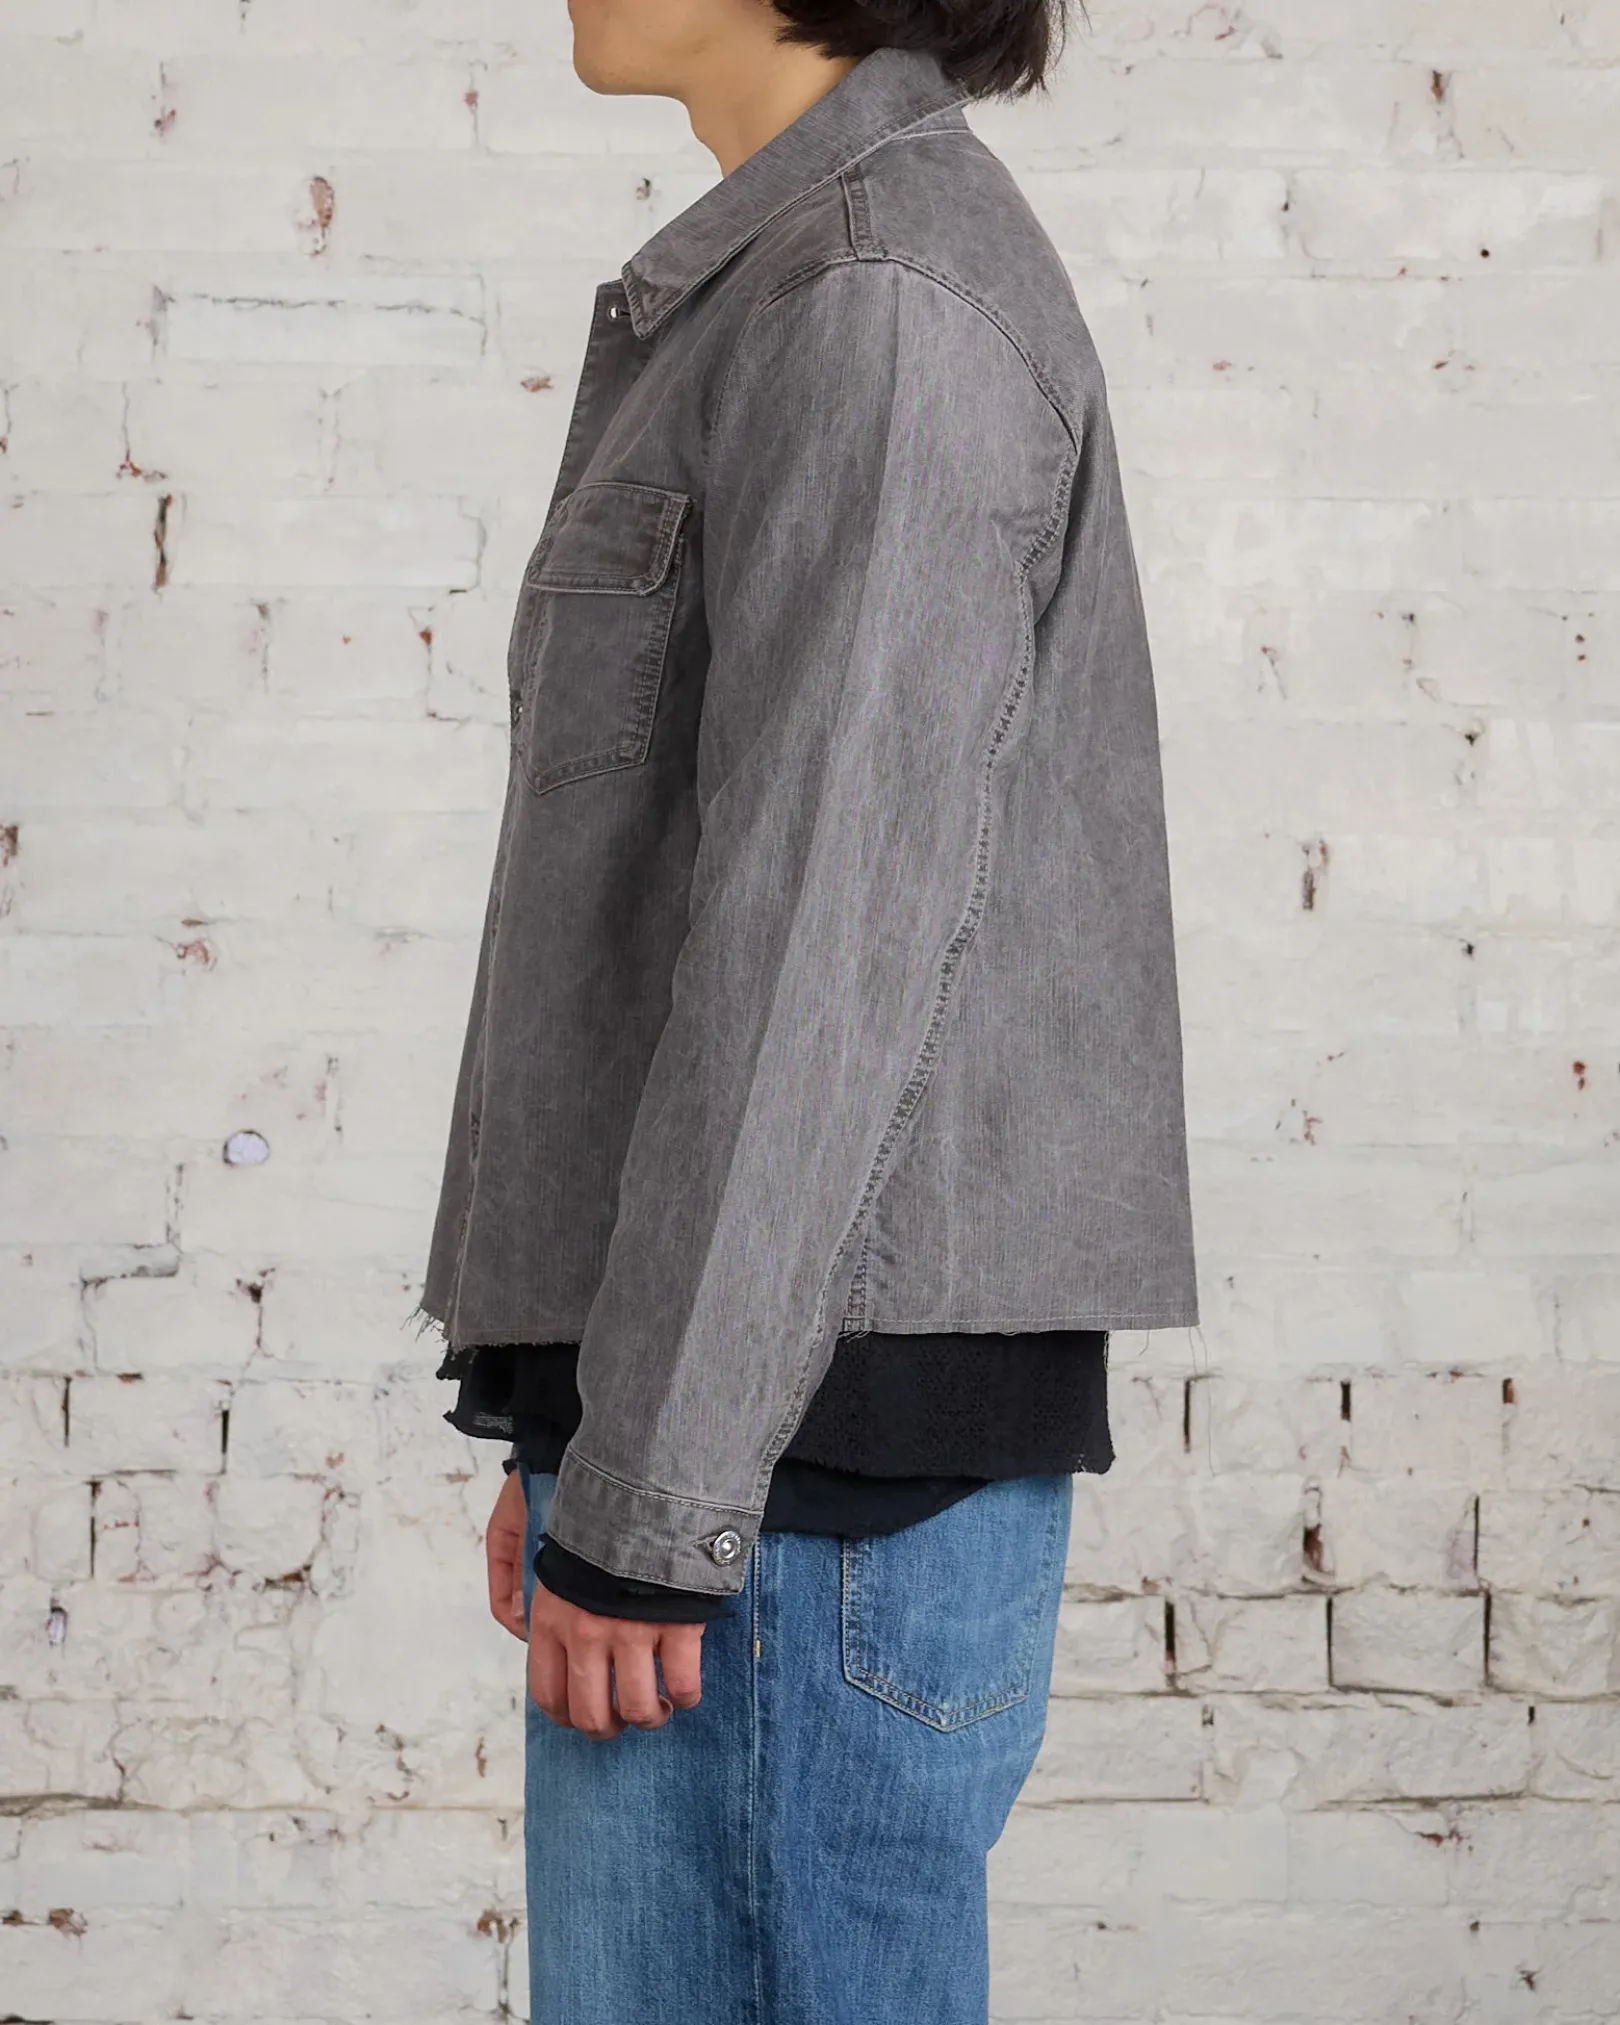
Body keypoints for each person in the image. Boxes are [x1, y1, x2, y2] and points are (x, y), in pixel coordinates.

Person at [416, 3, 1199, 2018]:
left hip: (793, 1480)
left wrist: (651, 1492)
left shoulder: (878, 301)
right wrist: (575, 1432)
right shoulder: (806, 278)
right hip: (750, 1453)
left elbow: (820, 951)